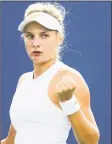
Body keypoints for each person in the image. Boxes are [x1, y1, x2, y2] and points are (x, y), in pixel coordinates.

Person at [1, 2, 100, 144]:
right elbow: (11, 140)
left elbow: (91, 141)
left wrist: (68, 101)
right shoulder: (24, 80)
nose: (35, 43)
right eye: (30, 36)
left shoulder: (69, 77)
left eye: (44, 35)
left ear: (59, 38)